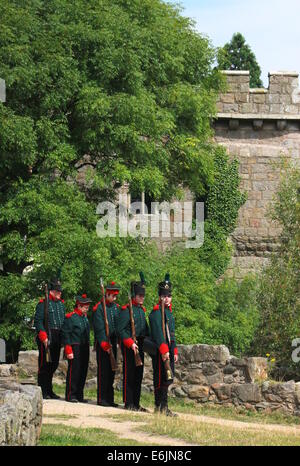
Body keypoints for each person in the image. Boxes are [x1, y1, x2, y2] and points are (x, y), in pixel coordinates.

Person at [117, 272, 149, 412]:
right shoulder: (126, 310)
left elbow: (145, 329)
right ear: (134, 296)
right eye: (139, 295)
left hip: (140, 344)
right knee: (129, 374)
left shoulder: (141, 310)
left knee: (138, 375)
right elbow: (121, 330)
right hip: (130, 345)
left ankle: (136, 402)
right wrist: (130, 343)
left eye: (143, 296)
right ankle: (128, 402)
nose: (142, 298)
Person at [149, 273, 178, 416]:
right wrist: (164, 349)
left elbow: (171, 334)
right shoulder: (156, 313)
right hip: (161, 351)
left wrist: (175, 351)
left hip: (169, 350)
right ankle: (159, 405)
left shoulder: (169, 313)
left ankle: (164, 406)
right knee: (160, 378)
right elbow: (158, 333)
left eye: (169, 296)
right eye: (164, 296)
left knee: (167, 378)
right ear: (160, 296)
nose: (167, 299)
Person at [34, 278, 65, 399]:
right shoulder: (43, 303)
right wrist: (44, 337)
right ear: (51, 291)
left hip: (57, 336)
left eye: (60, 291)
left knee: (54, 364)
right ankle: (43, 390)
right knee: (44, 364)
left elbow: (63, 322)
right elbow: (38, 321)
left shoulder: (61, 305)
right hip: (47, 336)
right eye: (57, 291)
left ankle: (49, 390)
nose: (59, 293)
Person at [93, 281, 120, 407]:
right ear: (107, 294)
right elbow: (99, 328)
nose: (114, 298)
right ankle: (101, 398)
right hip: (104, 343)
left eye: (115, 296)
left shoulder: (116, 307)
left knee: (112, 372)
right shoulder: (99, 308)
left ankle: (110, 398)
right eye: (113, 296)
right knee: (103, 371)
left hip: (113, 342)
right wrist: (105, 345)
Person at [62, 294, 91, 403]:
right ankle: (71, 394)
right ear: (79, 306)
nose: (87, 309)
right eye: (85, 307)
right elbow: (66, 334)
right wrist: (68, 349)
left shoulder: (84, 318)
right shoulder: (71, 317)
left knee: (83, 371)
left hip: (84, 346)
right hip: (75, 346)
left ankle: (79, 394)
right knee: (74, 371)